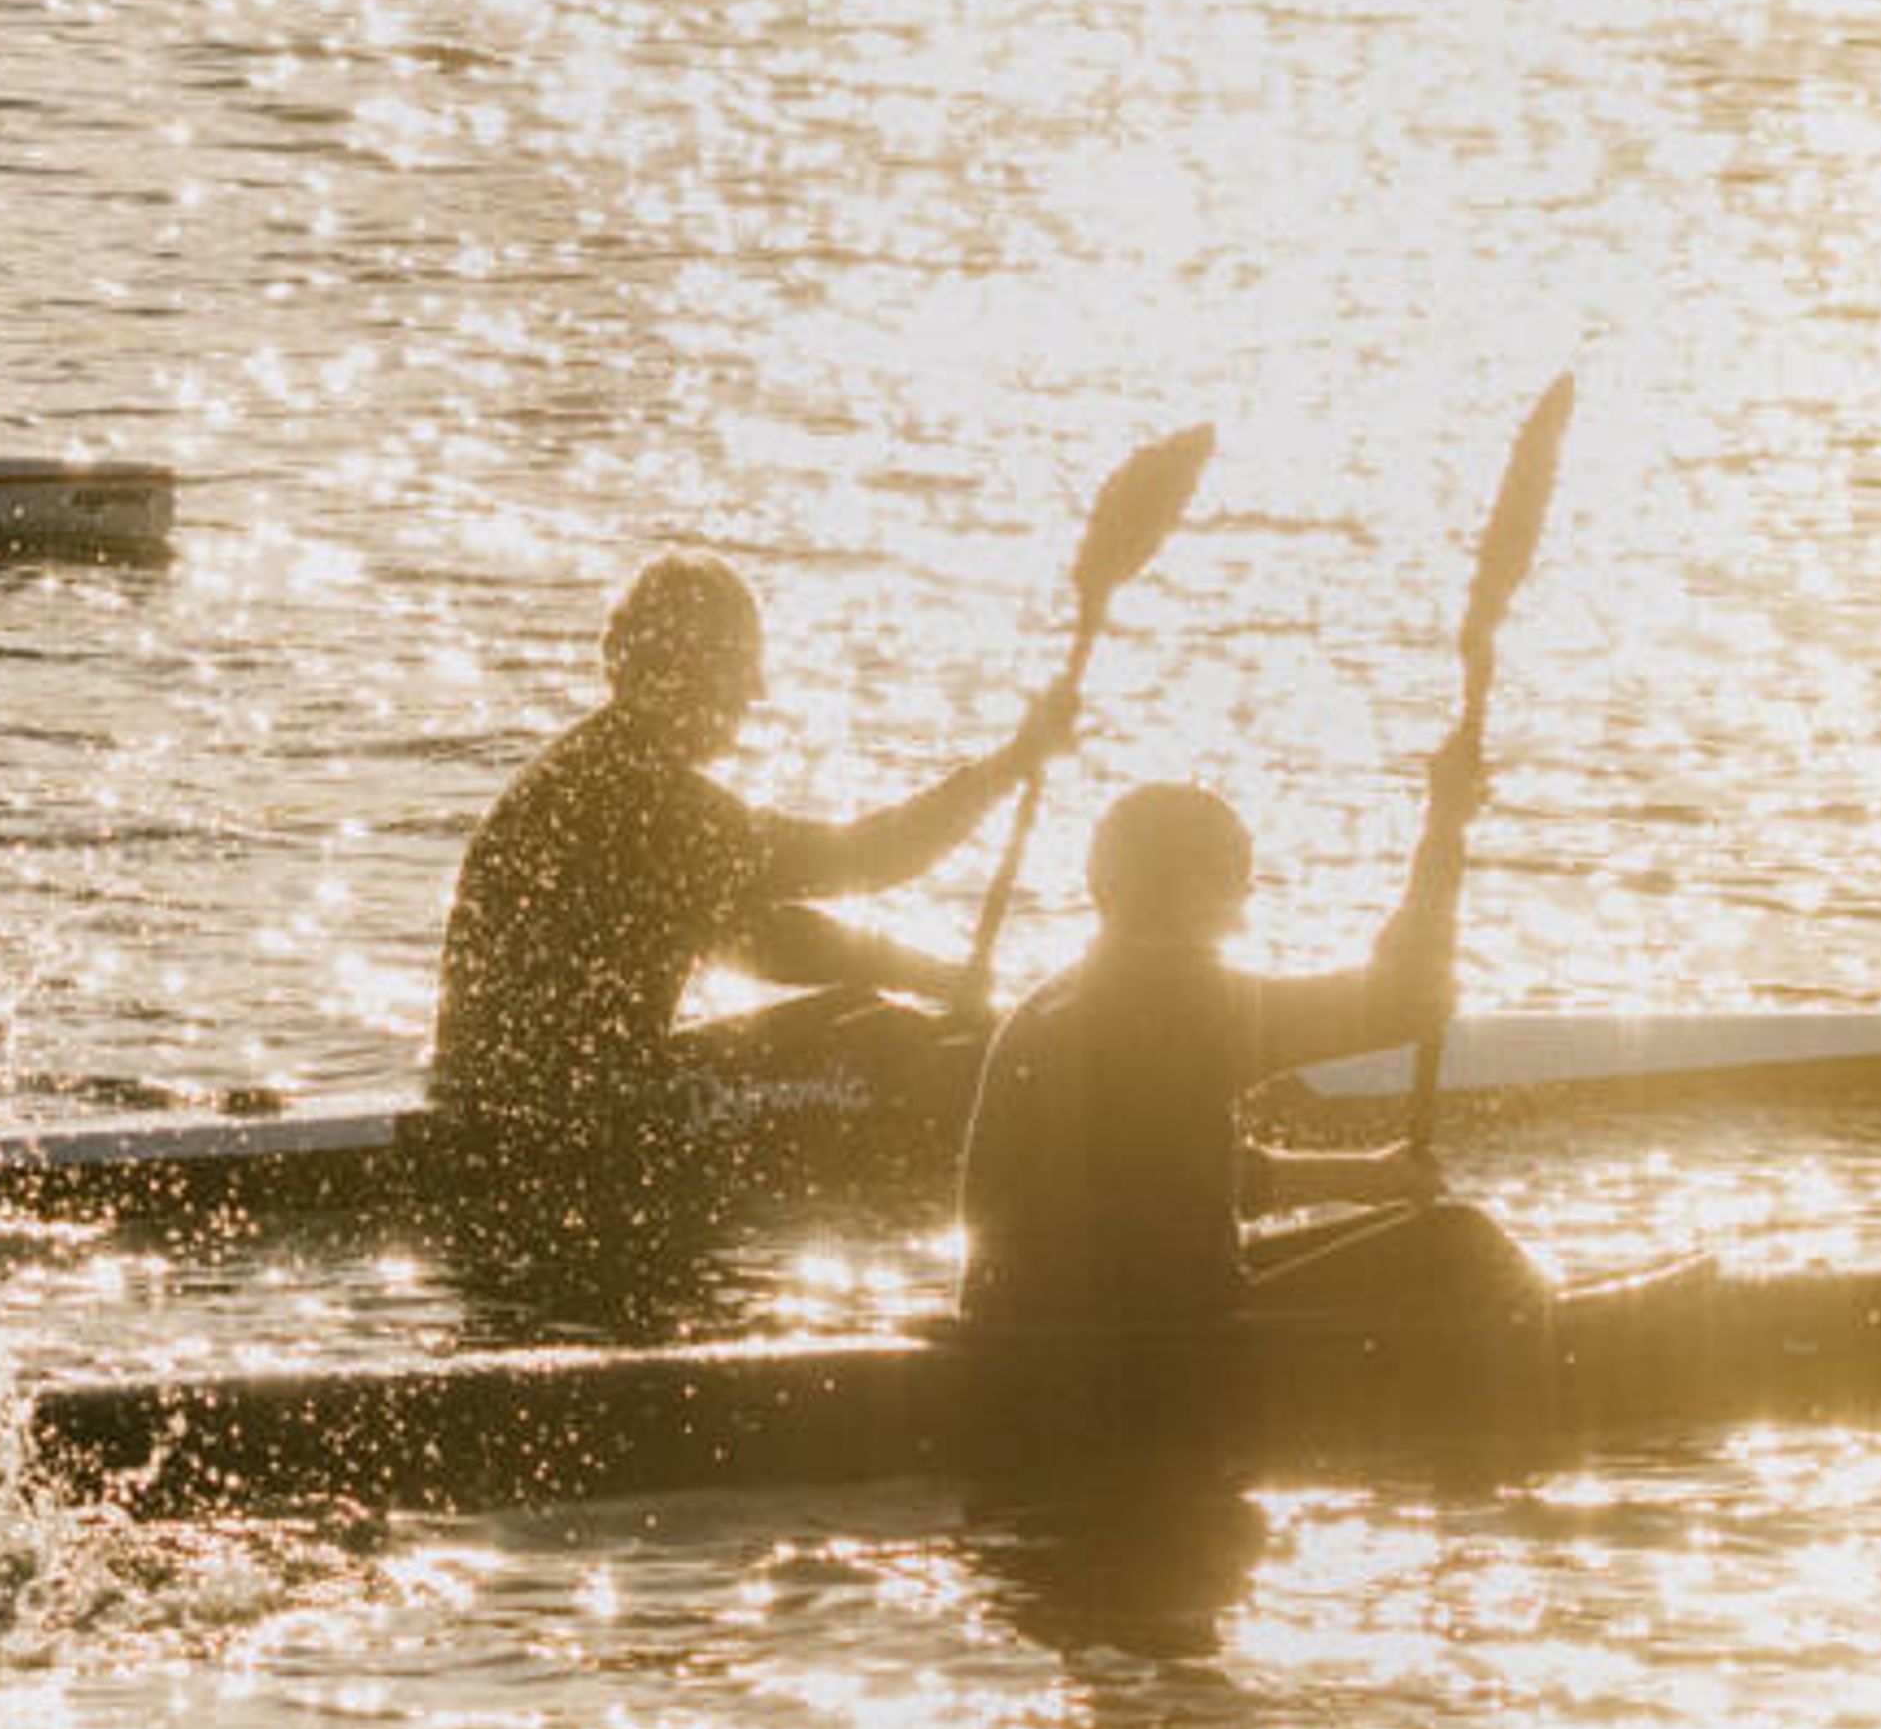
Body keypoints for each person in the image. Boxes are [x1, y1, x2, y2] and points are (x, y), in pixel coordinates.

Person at [427, 546, 1062, 1275]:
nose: (755, 694)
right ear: (689, 670)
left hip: (512, 1101)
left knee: (857, 1015)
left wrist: (938, 978)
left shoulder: (599, 766)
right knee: (888, 1044)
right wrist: (1011, 765)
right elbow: (859, 860)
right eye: (741, 671)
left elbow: (759, 938)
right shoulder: (640, 794)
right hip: (567, 1121)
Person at [955, 721, 1543, 1344]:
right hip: (1143, 1343)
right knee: (1462, 1243)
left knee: (1383, 1237)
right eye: (1238, 875)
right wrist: (1444, 822)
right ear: (1205, 890)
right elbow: (1402, 1000)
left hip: (1013, 1322)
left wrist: (1367, 1178)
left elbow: (1175, 1177)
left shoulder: (1042, 1005)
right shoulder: (1191, 1002)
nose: (1248, 890)